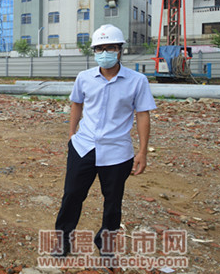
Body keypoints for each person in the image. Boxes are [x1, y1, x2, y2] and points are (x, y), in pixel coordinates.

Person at [54, 24, 156, 256]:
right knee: (72, 195)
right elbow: (76, 103)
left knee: (112, 202)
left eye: (110, 47)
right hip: (83, 147)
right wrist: (71, 134)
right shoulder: (84, 78)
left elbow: (142, 115)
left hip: (117, 152)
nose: (104, 53)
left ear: (120, 50)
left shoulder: (137, 81)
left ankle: (105, 243)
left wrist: (142, 152)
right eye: (99, 48)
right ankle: (63, 241)